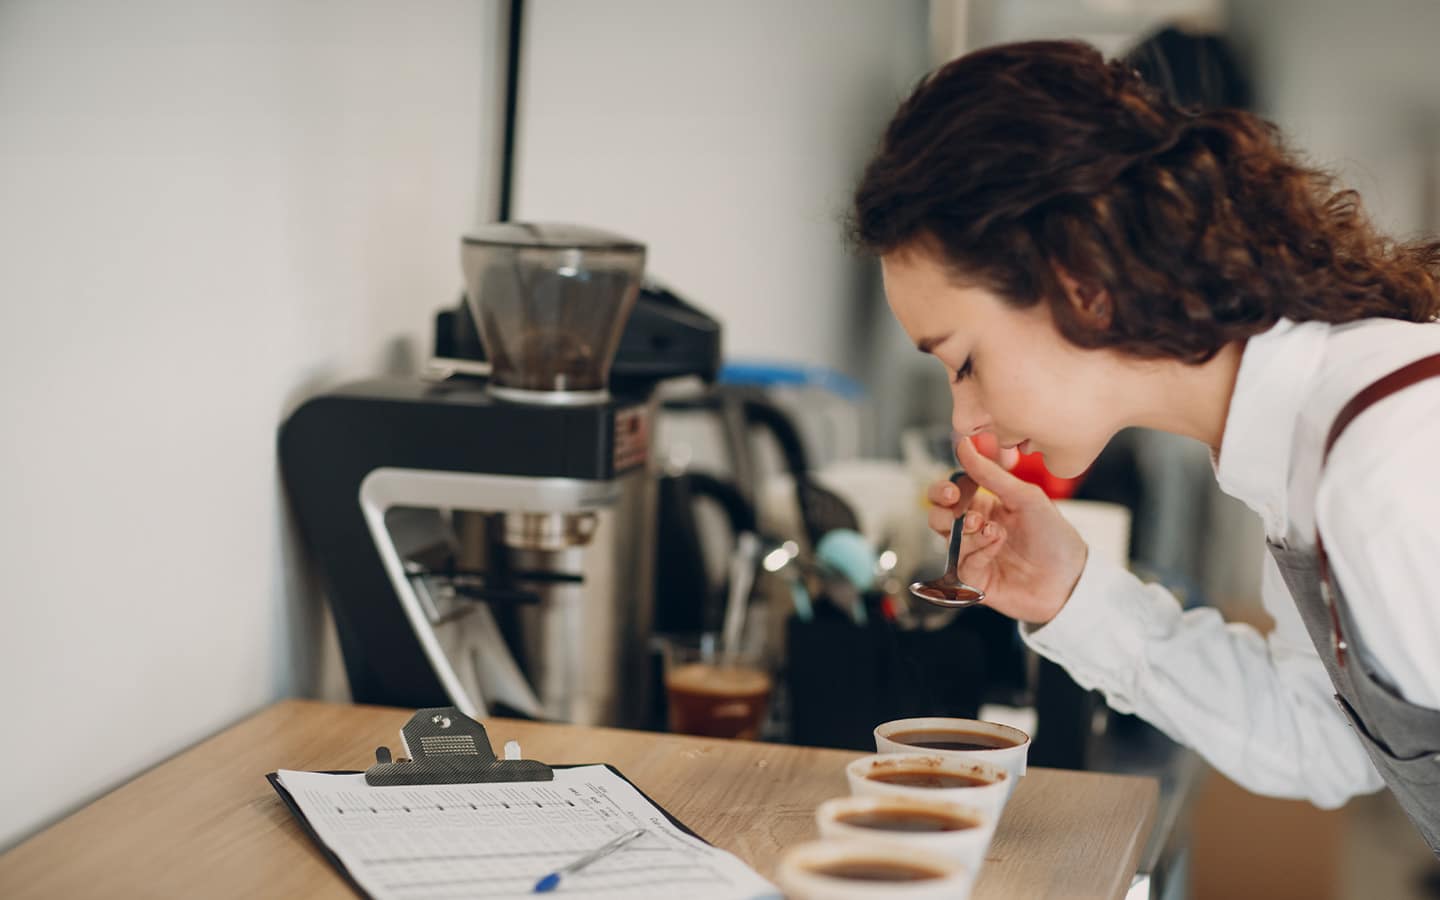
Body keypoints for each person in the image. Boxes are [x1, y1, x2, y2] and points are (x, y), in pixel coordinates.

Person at [850, 39, 1440, 855]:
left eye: (966, 362)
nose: (968, 426)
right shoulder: (1301, 450)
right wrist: (1073, 593)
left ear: (1080, 281)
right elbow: (1330, 744)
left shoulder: (1390, 467)